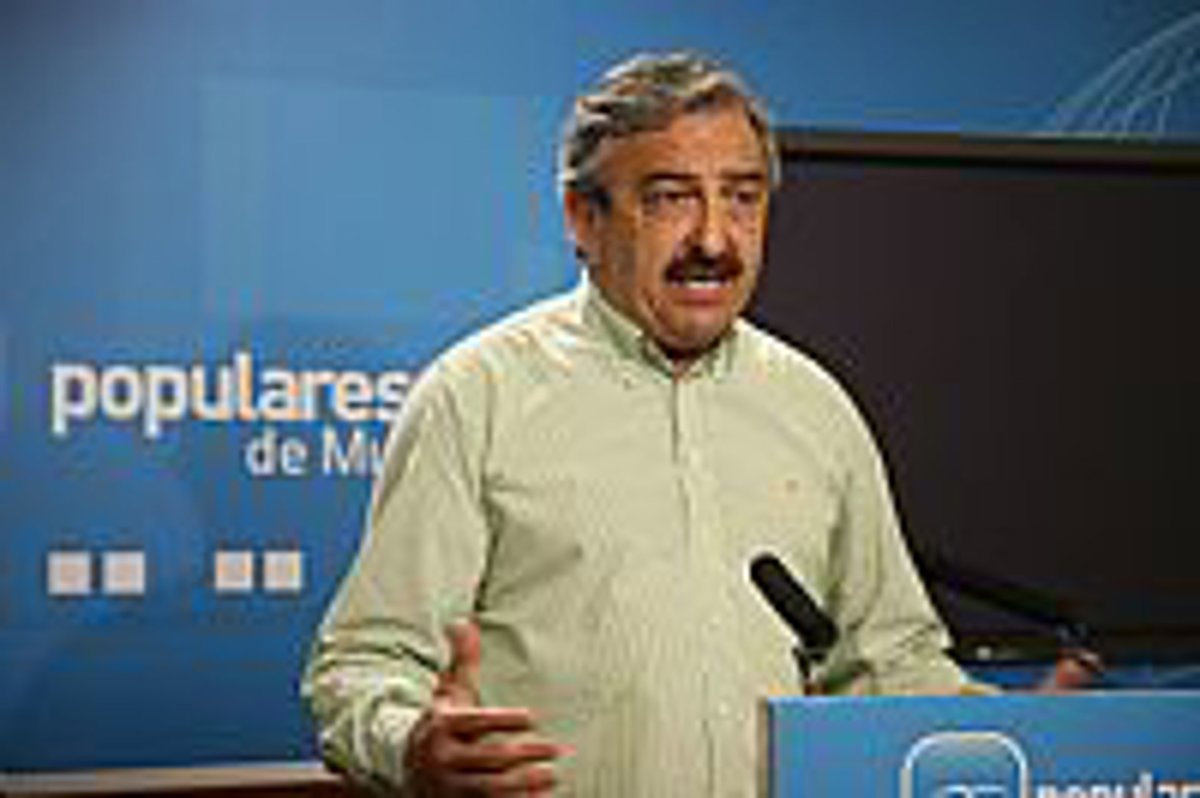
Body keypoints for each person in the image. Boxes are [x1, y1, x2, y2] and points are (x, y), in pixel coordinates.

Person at [302, 51, 1066, 797]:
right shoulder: (475, 398)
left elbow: (889, 665)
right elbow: (361, 666)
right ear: (582, 217)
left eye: (741, 198)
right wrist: (410, 746)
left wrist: (1034, 741)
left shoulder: (817, 407)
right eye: (671, 198)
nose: (713, 239)